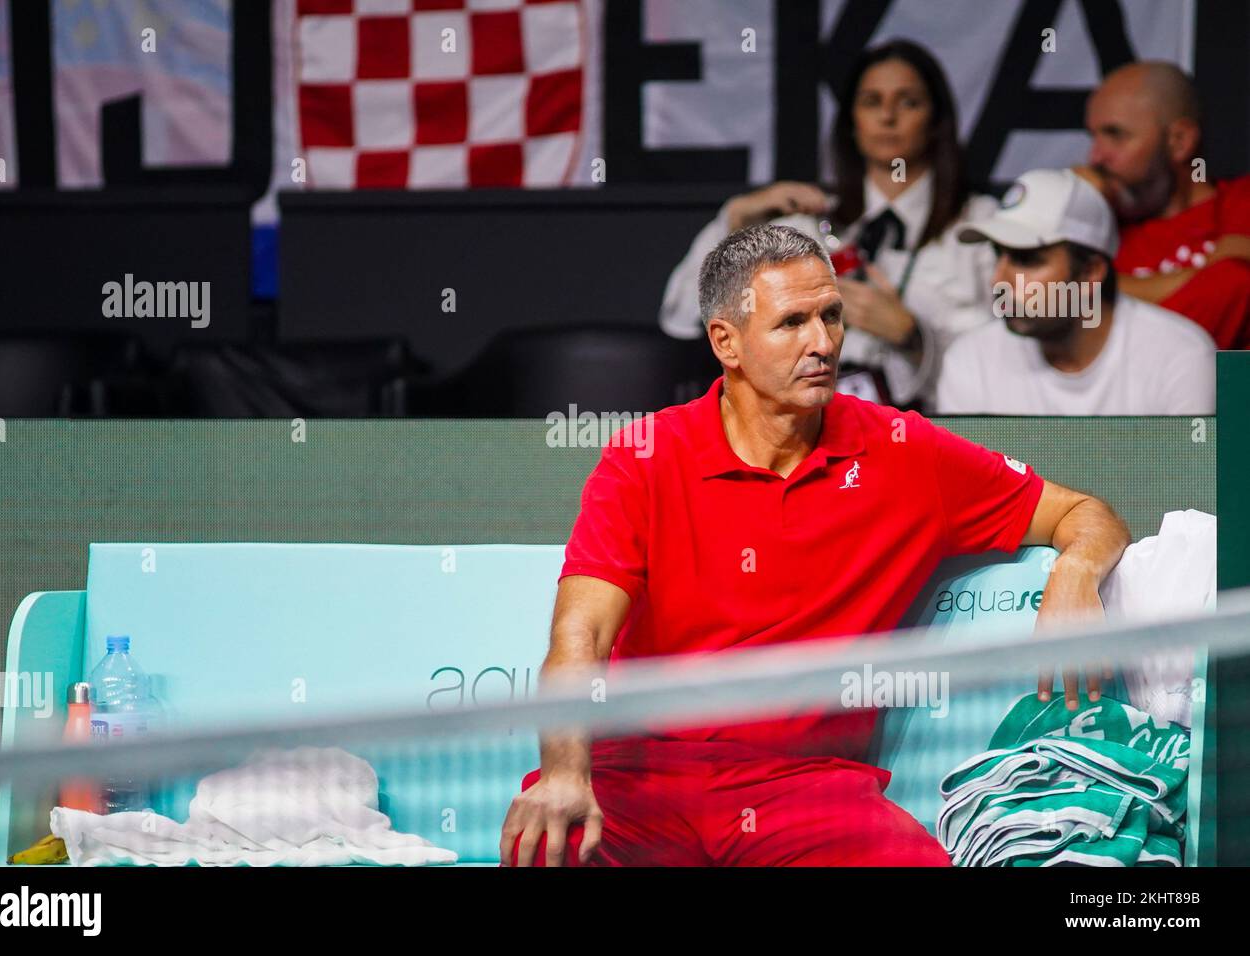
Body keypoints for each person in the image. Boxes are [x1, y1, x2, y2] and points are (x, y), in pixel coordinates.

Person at [501, 224, 1131, 867]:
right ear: (727, 343)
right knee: (549, 847)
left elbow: (1083, 513)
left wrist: (1077, 570)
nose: (823, 342)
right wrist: (563, 774)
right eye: (792, 322)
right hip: (638, 778)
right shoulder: (642, 458)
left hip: (807, 790)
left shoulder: (905, 452)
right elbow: (581, 636)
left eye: (832, 315)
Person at [659, 40, 998, 411]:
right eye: (871, 102)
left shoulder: (982, 227)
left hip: (934, 437)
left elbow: (1008, 366)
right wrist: (734, 221)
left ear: (936, 121)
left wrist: (913, 338)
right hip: (809, 441)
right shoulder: (806, 227)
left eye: (908, 102)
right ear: (851, 123)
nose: (887, 117)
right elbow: (682, 318)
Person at [937, 168, 1216, 415]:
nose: (998, 280)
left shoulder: (1180, 356)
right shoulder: (970, 360)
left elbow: (1192, 475)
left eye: (1026, 259)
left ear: (1090, 272)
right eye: (998, 254)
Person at [1084, 60, 1250, 349]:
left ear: (1180, 141)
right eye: (1093, 136)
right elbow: (1050, 311)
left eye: (1115, 135)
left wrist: (1095, 288)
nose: (1095, 157)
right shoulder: (1096, 227)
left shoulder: (1240, 200)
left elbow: (1235, 286)